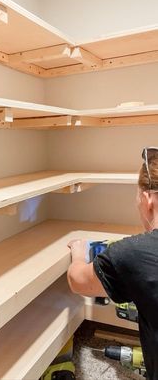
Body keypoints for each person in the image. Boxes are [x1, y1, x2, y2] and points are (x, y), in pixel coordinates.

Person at [67, 147, 158, 380]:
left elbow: (78, 281)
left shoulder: (133, 253)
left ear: (148, 199)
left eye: (137, 195)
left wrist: (79, 253)